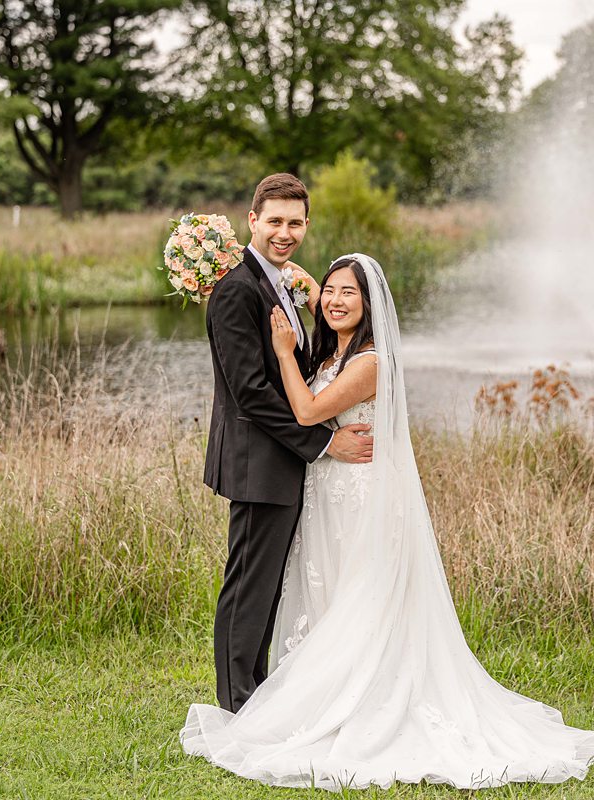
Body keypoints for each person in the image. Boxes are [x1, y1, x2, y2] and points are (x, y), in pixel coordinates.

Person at [182, 253, 594, 790]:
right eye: (332, 291)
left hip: (360, 495)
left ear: (372, 305)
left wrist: (285, 354)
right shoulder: (334, 347)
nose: (336, 300)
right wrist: (313, 293)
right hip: (326, 491)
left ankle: (361, 699)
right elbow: (323, 313)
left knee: (361, 595)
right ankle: (313, 691)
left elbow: (311, 412)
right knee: (330, 594)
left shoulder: (371, 362)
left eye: (350, 294)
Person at [201, 173, 373, 714]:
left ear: (306, 225)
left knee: (269, 586)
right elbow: (249, 393)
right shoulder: (236, 290)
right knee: (250, 586)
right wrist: (324, 443)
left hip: (282, 464)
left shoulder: (280, 284)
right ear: (252, 220)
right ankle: (236, 706)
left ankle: (253, 694)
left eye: (295, 223)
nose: (285, 232)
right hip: (259, 464)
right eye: (274, 221)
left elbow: (299, 367)